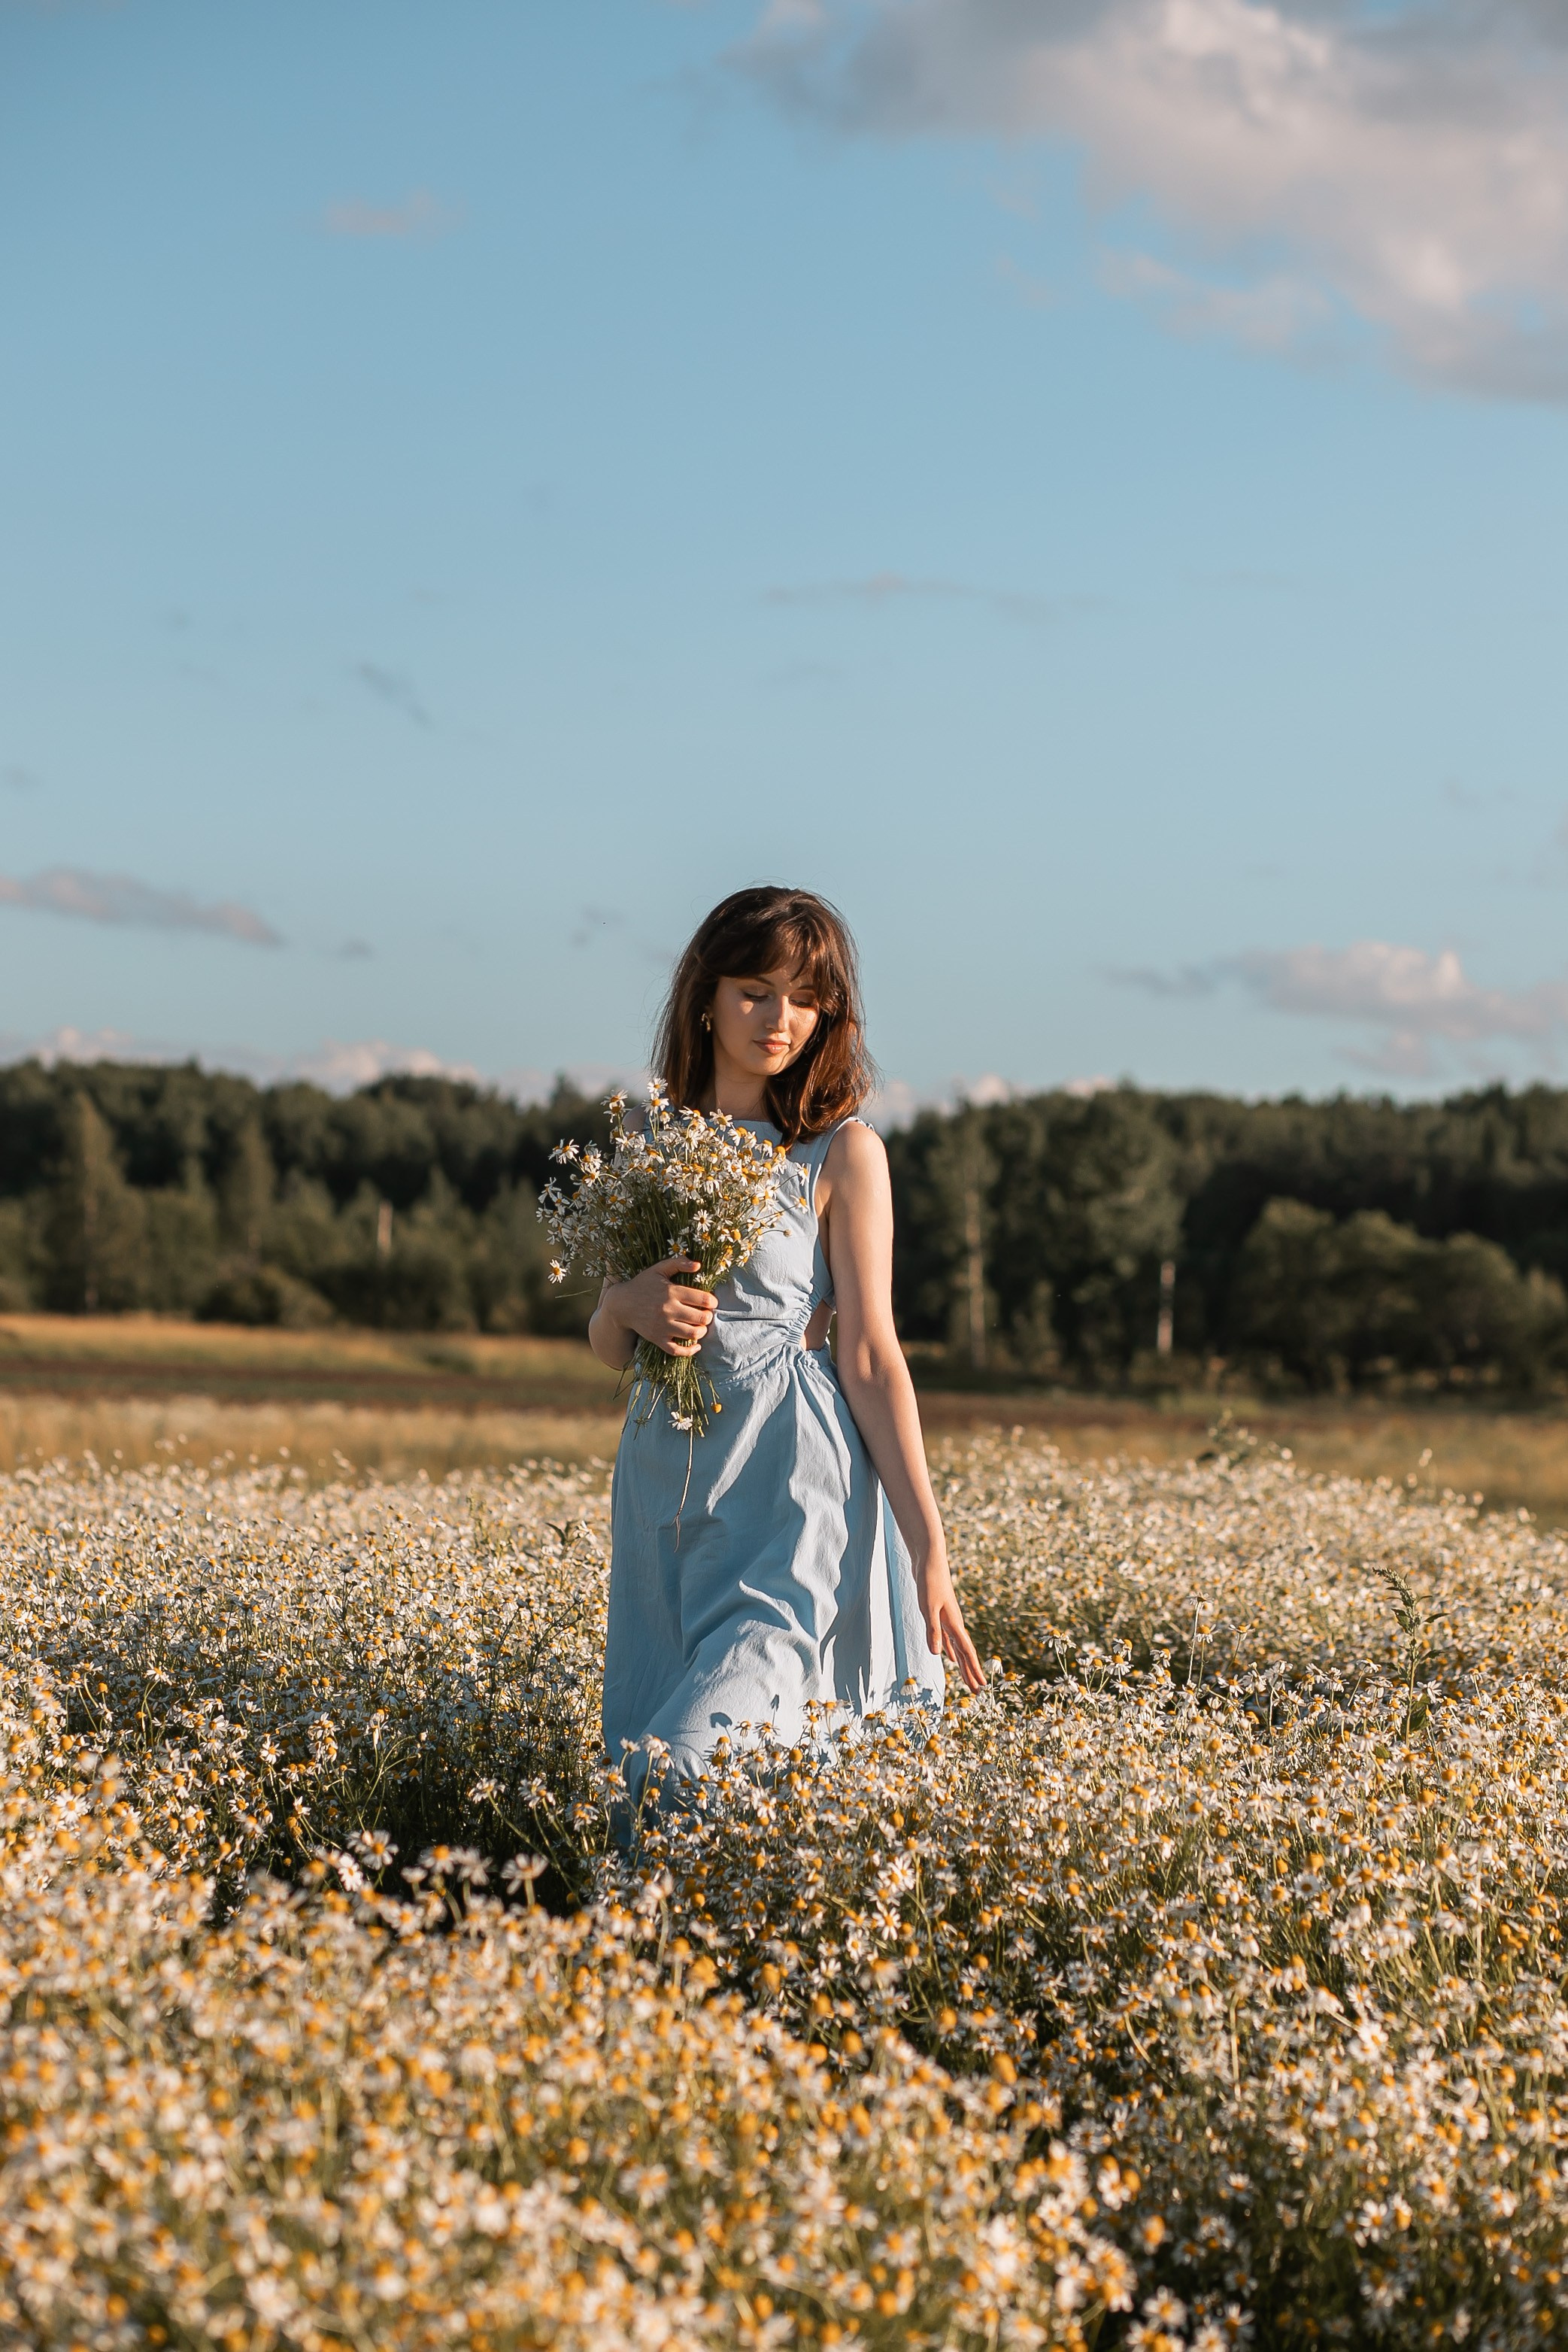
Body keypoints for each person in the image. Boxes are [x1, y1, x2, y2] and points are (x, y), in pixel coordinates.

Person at [590, 884, 984, 1810]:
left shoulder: (841, 1153)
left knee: (683, 1762)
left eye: (805, 998)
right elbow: (609, 1345)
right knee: (641, 1762)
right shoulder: (650, 1140)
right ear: (706, 996)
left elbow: (873, 1355)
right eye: (756, 991)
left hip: (792, 1485)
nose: (781, 1019)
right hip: (663, 1487)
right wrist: (630, 1302)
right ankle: (672, 1948)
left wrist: (929, 1544)